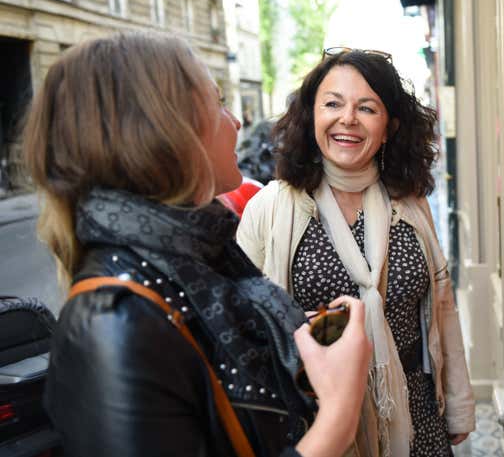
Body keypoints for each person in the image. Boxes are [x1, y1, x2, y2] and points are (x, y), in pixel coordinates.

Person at [21, 32, 371, 457]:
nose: (236, 122)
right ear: (166, 133)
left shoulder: (194, 252)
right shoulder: (113, 324)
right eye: (218, 103)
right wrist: (339, 413)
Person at [237, 48, 475, 457]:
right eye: (332, 104)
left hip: (417, 416)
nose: (347, 118)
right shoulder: (271, 207)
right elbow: (242, 320)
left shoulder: (411, 204)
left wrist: (458, 404)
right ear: (311, 114)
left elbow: (443, 306)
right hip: (318, 424)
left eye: (367, 108)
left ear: (389, 127)